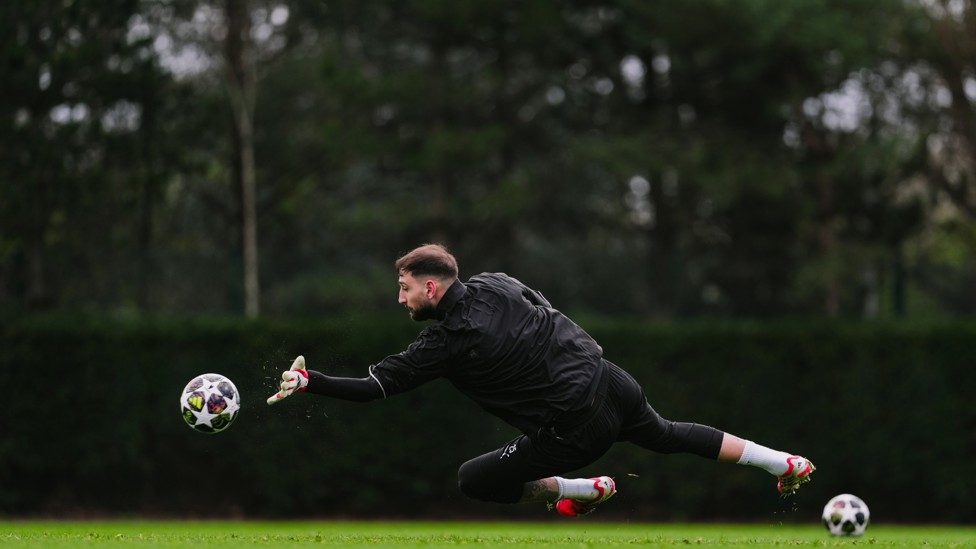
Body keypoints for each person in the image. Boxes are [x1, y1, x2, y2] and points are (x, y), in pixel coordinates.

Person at [267, 243, 814, 516]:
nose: (400, 297)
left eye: (405, 287)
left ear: (431, 289)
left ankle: (577, 490)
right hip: (610, 377)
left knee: (475, 480)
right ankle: (782, 462)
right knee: (667, 434)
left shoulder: (445, 342)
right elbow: (544, 307)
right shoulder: (497, 282)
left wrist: (310, 381)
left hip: (576, 426)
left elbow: (375, 388)